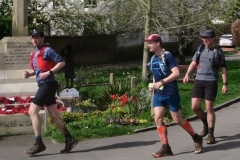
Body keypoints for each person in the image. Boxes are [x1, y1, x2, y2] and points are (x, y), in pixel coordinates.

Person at [145, 34, 203, 158]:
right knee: (158, 118)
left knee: (178, 120)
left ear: (158, 43)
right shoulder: (152, 58)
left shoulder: (167, 56)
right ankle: (166, 147)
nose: (148, 45)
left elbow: (176, 73)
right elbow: (156, 75)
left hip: (171, 93)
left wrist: (163, 82)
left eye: (150, 43)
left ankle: (196, 137)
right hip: (159, 94)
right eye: (148, 43)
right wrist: (153, 84)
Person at [23, 30, 78, 156]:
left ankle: (39, 144)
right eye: (33, 38)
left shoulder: (47, 50)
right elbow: (38, 70)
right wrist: (30, 74)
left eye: (37, 37)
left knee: (32, 112)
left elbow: (61, 62)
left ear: (42, 38)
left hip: (48, 85)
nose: (34, 40)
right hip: (44, 85)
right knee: (53, 114)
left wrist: (50, 72)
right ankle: (70, 139)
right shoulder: (36, 53)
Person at [183, 30, 228, 144]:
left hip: (211, 81)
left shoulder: (218, 51)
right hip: (199, 80)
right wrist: (187, 75)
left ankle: (211, 134)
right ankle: (205, 123)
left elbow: (223, 67)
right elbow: (194, 62)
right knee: (195, 106)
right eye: (203, 38)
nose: (205, 40)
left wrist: (224, 84)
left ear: (213, 38)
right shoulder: (201, 48)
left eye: (207, 38)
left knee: (209, 108)